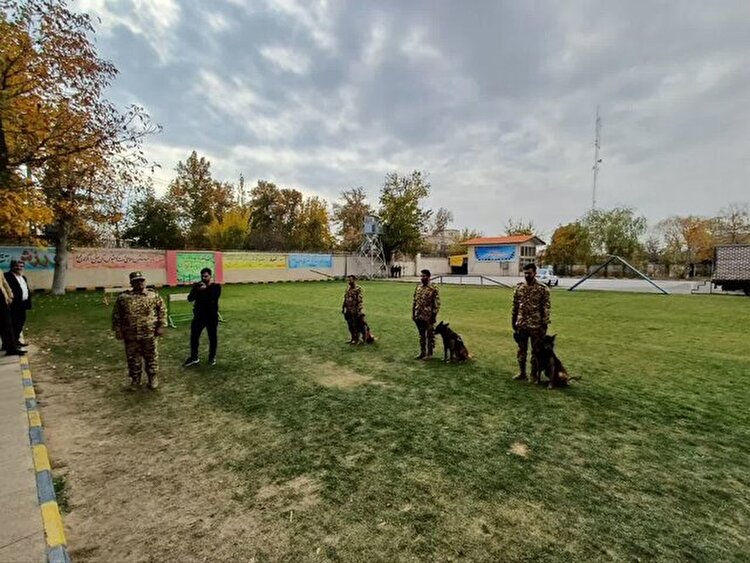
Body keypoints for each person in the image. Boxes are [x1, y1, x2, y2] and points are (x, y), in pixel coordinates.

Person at [112, 271, 166, 390]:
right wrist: (117, 329)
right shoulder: (123, 298)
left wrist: (161, 325)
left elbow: (162, 311)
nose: (140, 283)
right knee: (133, 358)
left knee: (151, 356)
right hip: (131, 335)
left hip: (149, 333)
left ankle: (152, 377)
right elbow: (117, 315)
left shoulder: (153, 295)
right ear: (131, 283)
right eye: (137, 281)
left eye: (142, 280)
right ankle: (135, 380)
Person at [512, 263, 551, 383]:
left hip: (536, 325)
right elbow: (515, 306)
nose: (526, 275)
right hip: (522, 325)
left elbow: (546, 308)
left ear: (535, 273)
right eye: (525, 273)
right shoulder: (519, 287)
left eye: (529, 273)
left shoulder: (542, 288)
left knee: (536, 351)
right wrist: (513, 321)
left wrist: (544, 324)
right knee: (521, 350)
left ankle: (534, 375)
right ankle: (522, 373)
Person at [183, 268, 221, 367]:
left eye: (206, 276)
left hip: (211, 317)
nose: (204, 278)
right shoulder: (197, 286)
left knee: (212, 338)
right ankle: (194, 357)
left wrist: (206, 289)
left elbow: (213, 297)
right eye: (202, 276)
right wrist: (197, 290)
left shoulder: (216, 286)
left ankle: (212, 357)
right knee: (194, 337)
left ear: (210, 276)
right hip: (199, 316)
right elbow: (190, 298)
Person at [412, 269, 440, 360]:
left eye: (424, 276)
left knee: (430, 335)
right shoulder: (418, 287)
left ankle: (429, 354)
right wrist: (413, 314)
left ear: (428, 277)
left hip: (428, 316)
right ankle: (422, 352)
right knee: (421, 335)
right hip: (419, 316)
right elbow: (414, 301)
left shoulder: (433, 288)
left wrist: (434, 316)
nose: (422, 278)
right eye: (421, 276)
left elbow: (437, 304)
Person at [4, 260, 32, 347]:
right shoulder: (7, 276)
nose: (19, 268)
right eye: (17, 266)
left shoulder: (23, 277)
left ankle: (16, 340)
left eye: (21, 266)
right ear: (12, 266)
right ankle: (10, 343)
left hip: (22, 304)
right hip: (13, 304)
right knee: (13, 323)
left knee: (21, 322)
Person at [0, 273, 25, 356]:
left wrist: (10, 295)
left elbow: (4, 282)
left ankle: (10, 348)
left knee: (7, 324)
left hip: (2, 299)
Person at [342, 275, 365, 344]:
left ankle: (357, 339)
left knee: (356, 325)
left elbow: (360, 301)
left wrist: (359, 310)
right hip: (348, 309)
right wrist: (343, 307)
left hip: (355, 310)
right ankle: (352, 338)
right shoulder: (347, 288)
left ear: (354, 280)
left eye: (350, 280)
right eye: (348, 280)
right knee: (350, 325)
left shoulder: (358, 289)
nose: (349, 281)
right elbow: (345, 299)